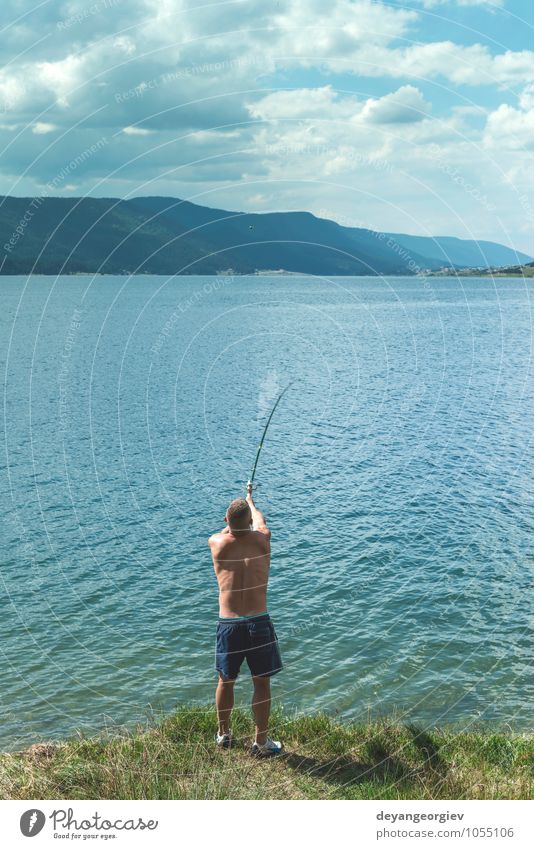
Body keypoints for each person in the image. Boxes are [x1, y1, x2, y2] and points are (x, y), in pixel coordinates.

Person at [208, 482, 283, 756]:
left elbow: (230, 529)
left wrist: (234, 519)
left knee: (225, 680)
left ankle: (224, 734)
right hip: (258, 622)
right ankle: (261, 743)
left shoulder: (216, 544)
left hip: (228, 624)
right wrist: (251, 500)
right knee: (261, 683)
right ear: (250, 522)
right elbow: (259, 521)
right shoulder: (263, 539)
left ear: (226, 520)